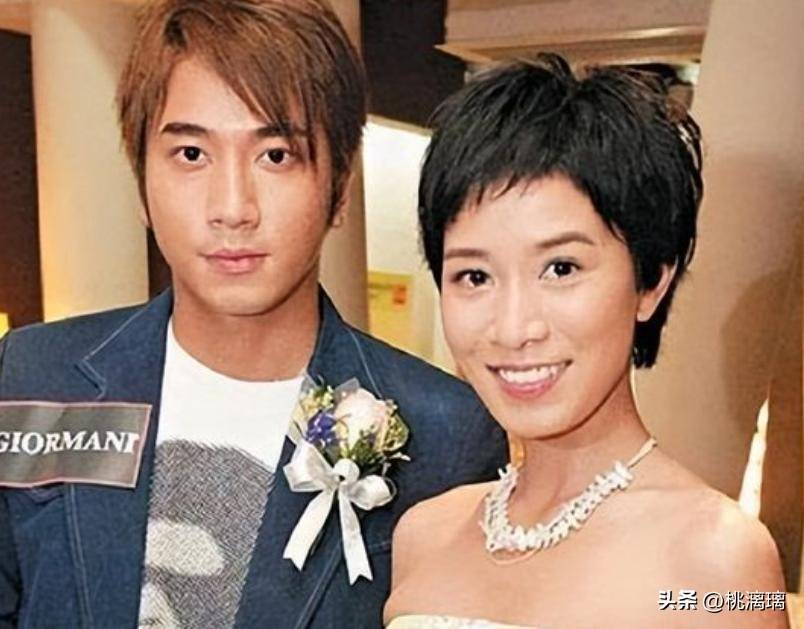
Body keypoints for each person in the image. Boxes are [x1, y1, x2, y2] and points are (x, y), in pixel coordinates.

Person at [0, 1, 507, 627]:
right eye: (191, 154)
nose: (233, 207)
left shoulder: (445, 432)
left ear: (340, 187)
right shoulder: (33, 377)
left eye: (276, 155)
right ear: (141, 182)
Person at [385, 55, 788, 628]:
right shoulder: (422, 536)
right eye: (474, 276)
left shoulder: (720, 561)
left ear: (651, 281)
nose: (514, 328)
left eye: (561, 268)